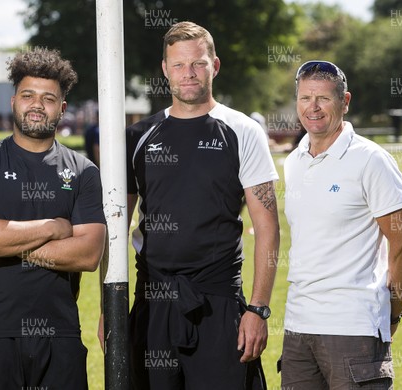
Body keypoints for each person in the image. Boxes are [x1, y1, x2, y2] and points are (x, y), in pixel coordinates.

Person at [103, 21, 280, 389]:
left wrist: (258, 310)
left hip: (219, 303)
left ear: (214, 65)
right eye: (179, 65)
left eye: (198, 63)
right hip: (153, 303)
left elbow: (267, 228)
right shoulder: (138, 137)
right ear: (165, 69)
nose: (189, 73)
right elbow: (116, 228)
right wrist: (111, 308)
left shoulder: (242, 131)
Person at [0, 48, 106, 389]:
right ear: (13, 102)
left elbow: (88, 254)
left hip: (60, 334)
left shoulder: (83, 173)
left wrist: (7, 243)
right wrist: (54, 228)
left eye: (48, 98)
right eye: (28, 95)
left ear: (62, 108)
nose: (37, 105)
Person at [279, 60, 402, 389]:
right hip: (298, 328)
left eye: (323, 99)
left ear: (345, 101)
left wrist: (392, 315)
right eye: (304, 98)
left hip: (353, 328)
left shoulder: (372, 160)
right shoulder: (295, 161)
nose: (312, 108)